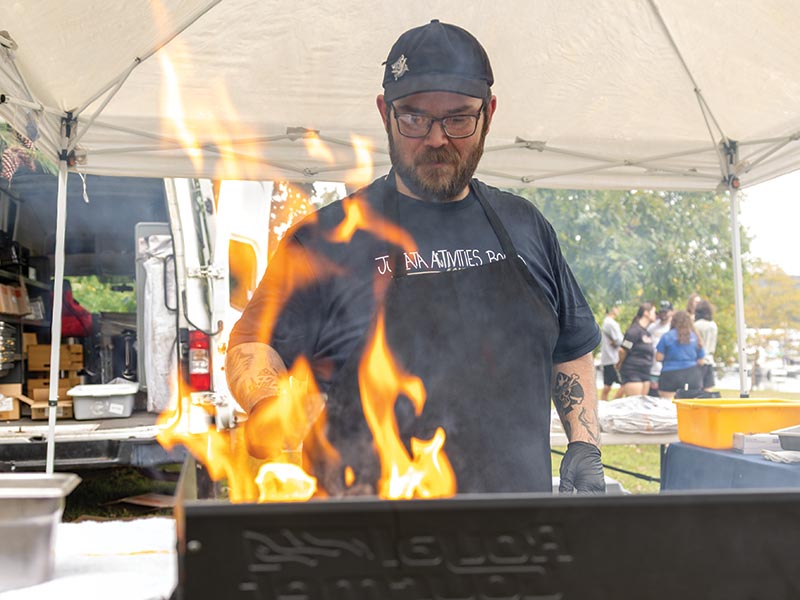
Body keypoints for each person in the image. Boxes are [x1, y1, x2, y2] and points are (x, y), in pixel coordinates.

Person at [225, 20, 604, 495]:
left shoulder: (524, 225)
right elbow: (251, 345)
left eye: (459, 119)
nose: (436, 139)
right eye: (415, 118)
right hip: (362, 543)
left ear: (489, 113)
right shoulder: (323, 238)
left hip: (513, 538)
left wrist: (584, 444)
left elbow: (570, 346)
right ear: (385, 112)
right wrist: (268, 403)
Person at [655, 310, 705, 398]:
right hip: (692, 374)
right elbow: (701, 361)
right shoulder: (695, 336)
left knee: (668, 405)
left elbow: (659, 357)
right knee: (689, 406)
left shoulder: (667, 336)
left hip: (670, 374)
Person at [616, 302, 656, 397]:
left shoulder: (646, 333)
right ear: (646, 313)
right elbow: (622, 350)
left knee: (642, 405)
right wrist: (619, 363)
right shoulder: (633, 331)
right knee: (634, 404)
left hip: (645, 372)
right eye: (654, 312)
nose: (656, 315)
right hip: (633, 372)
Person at [647, 301, 673, 397]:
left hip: (668, 369)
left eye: (666, 312)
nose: (663, 314)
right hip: (653, 369)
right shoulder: (653, 327)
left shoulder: (673, 327)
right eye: (662, 312)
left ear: (671, 312)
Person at [693, 300, 718, 391]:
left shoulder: (696, 325)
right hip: (710, 359)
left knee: (697, 388)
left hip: (699, 360)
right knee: (708, 389)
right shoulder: (713, 325)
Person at [600, 306, 623, 401]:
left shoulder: (605, 322)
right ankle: (612, 406)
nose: (619, 309)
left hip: (606, 359)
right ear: (612, 308)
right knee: (625, 384)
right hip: (614, 359)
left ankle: (603, 407)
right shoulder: (611, 323)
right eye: (617, 307)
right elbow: (620, 340)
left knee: (607, 386)